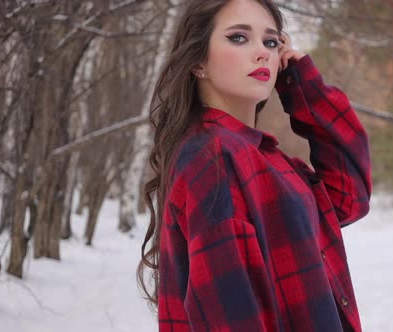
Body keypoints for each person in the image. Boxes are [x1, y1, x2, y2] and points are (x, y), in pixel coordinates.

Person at [137, 0, 372, 331]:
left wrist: (300, 82)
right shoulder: (215, 157)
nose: (262, 52)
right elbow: (231, 313)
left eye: (271, 41)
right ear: (198, 61)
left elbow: (348, 197)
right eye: (238, 37)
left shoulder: (259, 157)